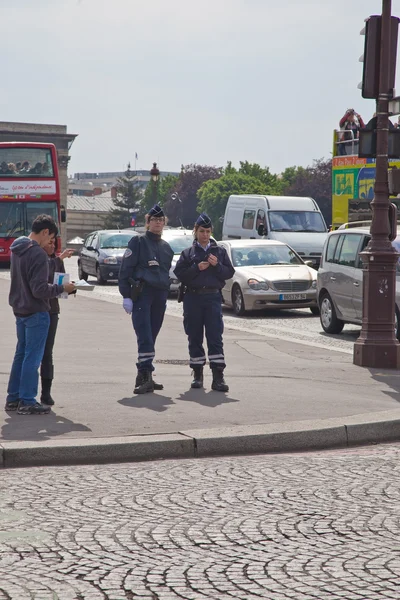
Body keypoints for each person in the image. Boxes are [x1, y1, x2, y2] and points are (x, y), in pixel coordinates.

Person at [5, 214, 76, 415]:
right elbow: (39, 289)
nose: (50, 242)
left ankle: (13, 398)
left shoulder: (17, 248)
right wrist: (63, 288)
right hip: (36, 311)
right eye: (50, 237)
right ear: (45, 232)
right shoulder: (37, 253)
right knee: (32, 357)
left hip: (20, 309)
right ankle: (27, 400)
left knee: (21, 355)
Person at [174, 213, 235, 392]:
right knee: (194, 336)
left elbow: (229, 273)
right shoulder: (188, 253)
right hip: (193, 298)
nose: (205, 235)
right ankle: (197, 374)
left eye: (208, 231)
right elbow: (180, 274)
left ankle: (218, 377)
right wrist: (196, 268)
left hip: (212, 297)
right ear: (195, 231)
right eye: (202, 231)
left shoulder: (219, 252)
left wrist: (217, 265)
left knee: (215, 336)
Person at [118, 204, 174, 395]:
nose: (158, 223)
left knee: (153, 335)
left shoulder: (166, 248)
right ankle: (146, 376)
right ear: (148, 222)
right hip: (143, 294)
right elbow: (125, 269)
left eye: (161, 220)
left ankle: (144, 375)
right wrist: (126, 295)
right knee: (145, 336)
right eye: (154, 220)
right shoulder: (138, 242)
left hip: (160, 295)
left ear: (164, 223)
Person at [40, 238, 75, 406]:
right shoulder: (40, 259)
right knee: (33, 353)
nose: (53, 246)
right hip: (38, 310)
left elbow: (60, 284)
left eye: (54, 243)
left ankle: (46, 392)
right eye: (50, 242)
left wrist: (71, 287)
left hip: (52, 310)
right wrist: (60, 258)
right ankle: (25, 394)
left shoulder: (55, 260)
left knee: (48, 353)